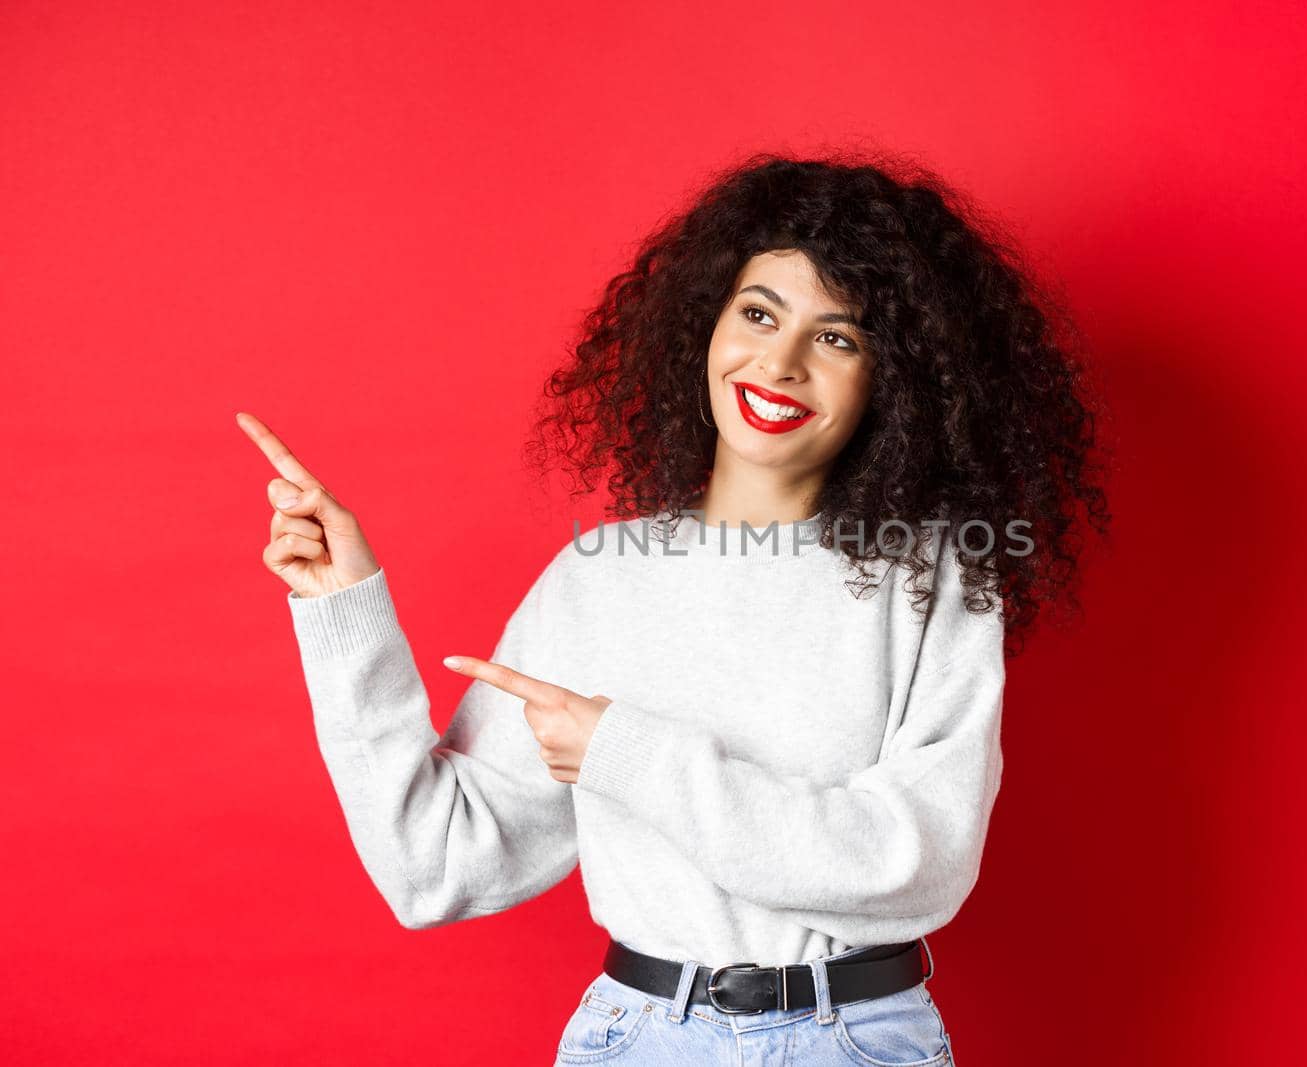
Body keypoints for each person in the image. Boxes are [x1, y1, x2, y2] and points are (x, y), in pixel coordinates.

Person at [238, 151, 1111, 1066]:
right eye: (760, 313)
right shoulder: (599, 580)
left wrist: (625, 755)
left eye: (838, 338)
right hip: (642, 1038)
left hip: (857, 1040)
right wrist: (347, 616)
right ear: (707, 322)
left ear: (895, 385)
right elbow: (439, 866)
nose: (779, 362)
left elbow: (914, 864)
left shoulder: (937, 581)